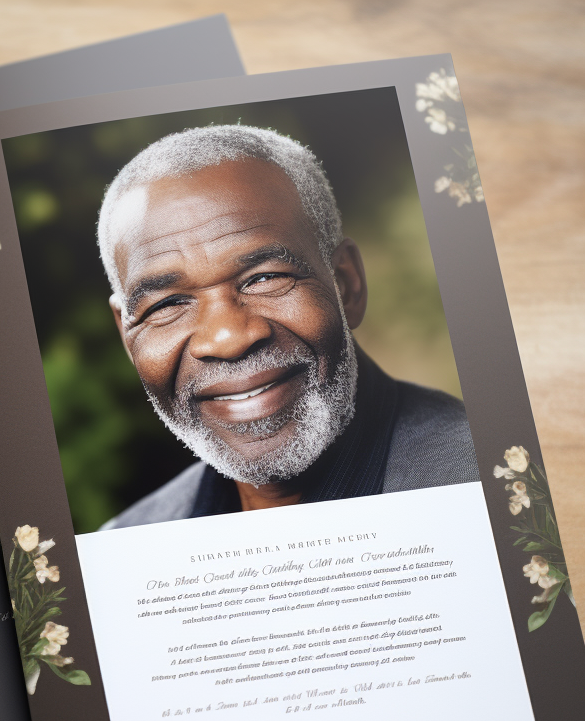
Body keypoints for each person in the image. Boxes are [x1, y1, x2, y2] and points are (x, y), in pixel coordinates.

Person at [97, 124, 478, 530]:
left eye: (264, 278)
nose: (227, 338)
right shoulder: (130, 550)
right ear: (127, 333)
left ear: (346, 283)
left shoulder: (495, 486)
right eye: (168, 304)